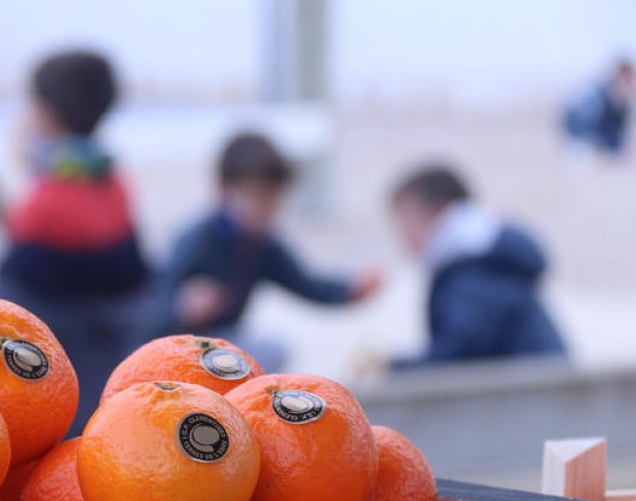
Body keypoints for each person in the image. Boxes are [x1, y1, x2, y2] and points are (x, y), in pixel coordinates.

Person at [0, 49, 149, 432]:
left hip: (51, 374)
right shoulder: (113, 181)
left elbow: (9, 287)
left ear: (45, 111)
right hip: (108, 354)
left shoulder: (43, 199)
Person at [150, 132, 379, 368]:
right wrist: (181, 306)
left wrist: (350, 290)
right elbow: (149, 306)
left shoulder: (262, 245)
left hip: (224, 344)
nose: (266, 209)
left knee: (273, 349)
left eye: (274, 199)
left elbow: (305, 283)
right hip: (177, 352)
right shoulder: (198, 239)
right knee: (261, 353)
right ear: (225, 191)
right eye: (258, 197)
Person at [389, 165, 566, 369]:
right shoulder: (478, 257)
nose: (402, 235)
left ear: (440, 209)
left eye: (406, 220)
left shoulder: (473, 271)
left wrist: (392, 369)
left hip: (532, 395)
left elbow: (458, 357)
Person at [563, 57, 633, 156]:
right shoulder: (598, 94)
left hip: (605, 136)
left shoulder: (625, 100)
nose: (627, 83)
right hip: (583, 134)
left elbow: (621, 130)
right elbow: (575, 117)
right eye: (624, 78)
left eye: (629, 80)